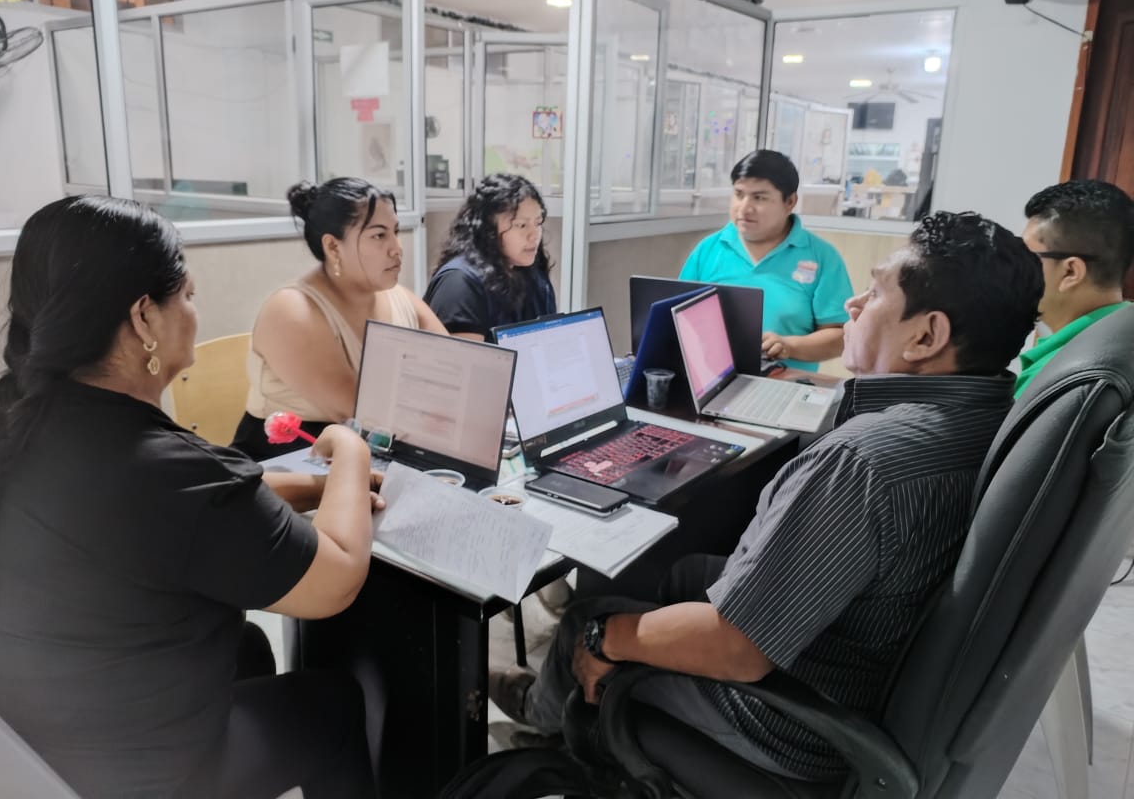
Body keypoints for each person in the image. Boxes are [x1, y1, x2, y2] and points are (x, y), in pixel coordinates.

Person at [491, 211, 1043, 781]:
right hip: (864, 663)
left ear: (927, 336)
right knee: (678, 573)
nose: (854, 305)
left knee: (587, 621)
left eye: (876, 293)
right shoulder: (990, 415)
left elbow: (738, 650)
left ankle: (545, 726)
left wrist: (607, 638)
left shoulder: (861, 463)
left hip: (786, 717)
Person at [0, 196, 383, 798]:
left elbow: (203, 508)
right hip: (136, 775)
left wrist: (321, 489)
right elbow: (337, 578)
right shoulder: (160, 468)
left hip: (38, 751)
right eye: (188, 295)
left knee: (247, 646)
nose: (195, 312)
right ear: (144, 317)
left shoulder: (19, 421)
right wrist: (350, 450)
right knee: (333, 704)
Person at [232, 177, 446, 460]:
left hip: (377, 452)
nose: (397, 248)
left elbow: (456, 368)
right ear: (333, 247)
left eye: (395, 232)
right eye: (379, 236)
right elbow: (359, 411)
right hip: (287, 463)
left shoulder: (400, 298)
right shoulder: (292, 310)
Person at [679, 150, 854, 371]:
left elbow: (840, 335)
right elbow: (678, 317)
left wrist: (789, 346)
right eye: (739, 194)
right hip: (712, 379)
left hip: (786, 382)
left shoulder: (822, 257)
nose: (745, 208)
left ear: (790, 202)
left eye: (759, 198)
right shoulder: (708, 250)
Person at [1014, 179, 1134, 398]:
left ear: (1070, 272)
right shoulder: (1124, 339)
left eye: (1026, 257)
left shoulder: (1054, 374)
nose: (1016, 268)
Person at [424, 173, 556, 343]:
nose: (534, 235)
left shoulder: (532, 274)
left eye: (537, 223)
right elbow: (464, 359)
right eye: (521, 225)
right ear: (488, 229)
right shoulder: (460, 282)